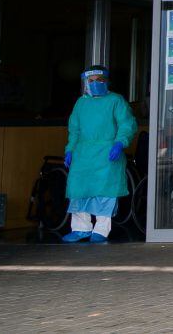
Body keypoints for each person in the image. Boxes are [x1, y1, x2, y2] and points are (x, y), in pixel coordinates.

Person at [62, 66, 138, 243]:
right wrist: (69, 150)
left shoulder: (116, 101)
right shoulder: (81, 103)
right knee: (78, 190)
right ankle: (81, 228)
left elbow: (127, 124)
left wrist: (120, 143)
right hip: (82, 154)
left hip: (107, 152)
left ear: (107, 81)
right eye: (92, 80)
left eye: (100, 80)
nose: (95, 83)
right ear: (86, 83)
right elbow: (74, 130)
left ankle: (101, 230)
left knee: (105, 191)